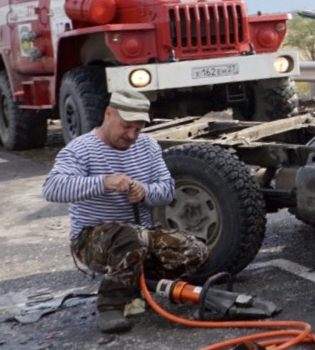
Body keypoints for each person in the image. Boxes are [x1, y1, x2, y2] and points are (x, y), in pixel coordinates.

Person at [41, 90, 207, 334]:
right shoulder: (81, 149)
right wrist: (103, 182)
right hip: (92, 238)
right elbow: (52, 188)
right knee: (131, 237)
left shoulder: (148, 146)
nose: (131, 135)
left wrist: (146, 191)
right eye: (126, 126)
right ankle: (110, 305)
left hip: (139, 235)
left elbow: (168, 190)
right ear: (108, 114)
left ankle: (136, 284)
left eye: (138, 129)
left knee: (195, 251)